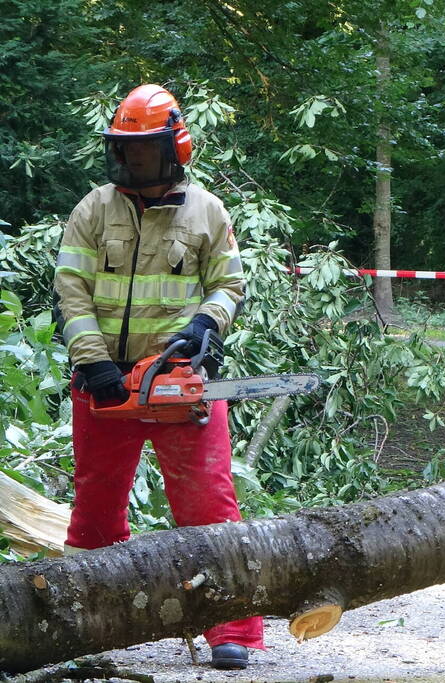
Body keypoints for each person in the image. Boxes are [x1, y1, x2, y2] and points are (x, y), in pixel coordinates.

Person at [53, 84, 263, 669]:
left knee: (209, 506)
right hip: (106, 381)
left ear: (175, 146)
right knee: (95, 506)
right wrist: (92, 362)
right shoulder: (93, 209)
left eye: (145, 148)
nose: (134, 159)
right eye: (126, 148)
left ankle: (233, 631)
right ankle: (87, 619)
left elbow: (229, 284)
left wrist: (206, 323)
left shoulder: (208, 210)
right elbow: (71, 292)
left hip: (178, 379)